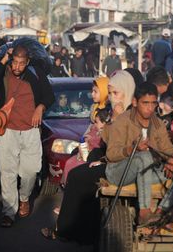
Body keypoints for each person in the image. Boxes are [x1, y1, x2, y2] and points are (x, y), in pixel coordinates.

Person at [41, 70, 136, 244]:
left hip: (121, 164)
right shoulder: (115, 111)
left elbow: (122, 147)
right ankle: (82, 232)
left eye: (116, 93)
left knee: (79, 177)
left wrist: (102, 159)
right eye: (111, 93)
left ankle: (67, 230)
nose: (113, 97)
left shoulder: (131, 113)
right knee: (80, 174)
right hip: (107, 157)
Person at [0, 45, 54, 227]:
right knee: (7, 172)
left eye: (21, 63)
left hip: (30, 131)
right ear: (10, 59)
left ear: (28, 62)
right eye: (14, 62)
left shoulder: (36, 74)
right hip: (7, 131)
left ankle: (24, 197)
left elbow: (49, 96)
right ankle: (9, 211)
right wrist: (2, 60)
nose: (17, 67)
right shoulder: (3, 73)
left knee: (31, 170)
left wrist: (40, 107)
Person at [105, 82, 173, 225]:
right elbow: (111, 154)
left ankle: (162, 211)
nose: (150, 108)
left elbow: (169, 149)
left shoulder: (158, 123)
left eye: (153, 103)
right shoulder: (122, 121)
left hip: (148, 171)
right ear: (135, 102)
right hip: (119, 172)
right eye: (145, 103)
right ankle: (144, 213)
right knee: (145, 157)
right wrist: (132, 149)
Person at [60, 108, 110, 186]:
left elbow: (100, 145)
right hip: (85, 154)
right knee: (70, 162)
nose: (95, 124)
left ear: (104, 123)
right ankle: (67, 184)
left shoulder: (106, 133)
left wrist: (91, 140)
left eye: (96, 122)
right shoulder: (94, 129)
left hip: (93, 157)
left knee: (76, 167)